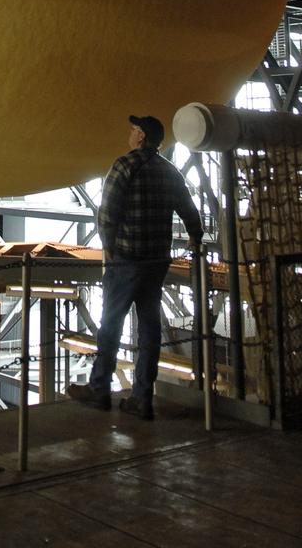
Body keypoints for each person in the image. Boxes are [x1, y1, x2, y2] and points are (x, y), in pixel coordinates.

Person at [68, 114, 202, 419]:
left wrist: (111, 252)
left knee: (111, 325)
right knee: (150, 328)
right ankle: (143, 397)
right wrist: (196, 240)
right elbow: (189, 211)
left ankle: (100, 389)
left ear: (141, 136)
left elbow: (107, 215)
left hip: (126, 261)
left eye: (133, 129)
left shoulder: (124, 165)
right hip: (156, 261)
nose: (129, 134)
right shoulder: (169, 172)